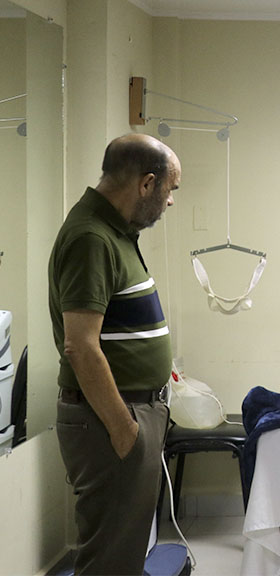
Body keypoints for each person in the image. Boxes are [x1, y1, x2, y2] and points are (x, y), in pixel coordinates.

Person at [49, 133, 180, 574]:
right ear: (146, 184)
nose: (170, 202)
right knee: (108, 559)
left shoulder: (117, 232)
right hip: (112, 420)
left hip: (132, 412)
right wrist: (125, 429)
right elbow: (80, 346)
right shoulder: (92, 237)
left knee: (124, 554)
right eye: (170, 190)